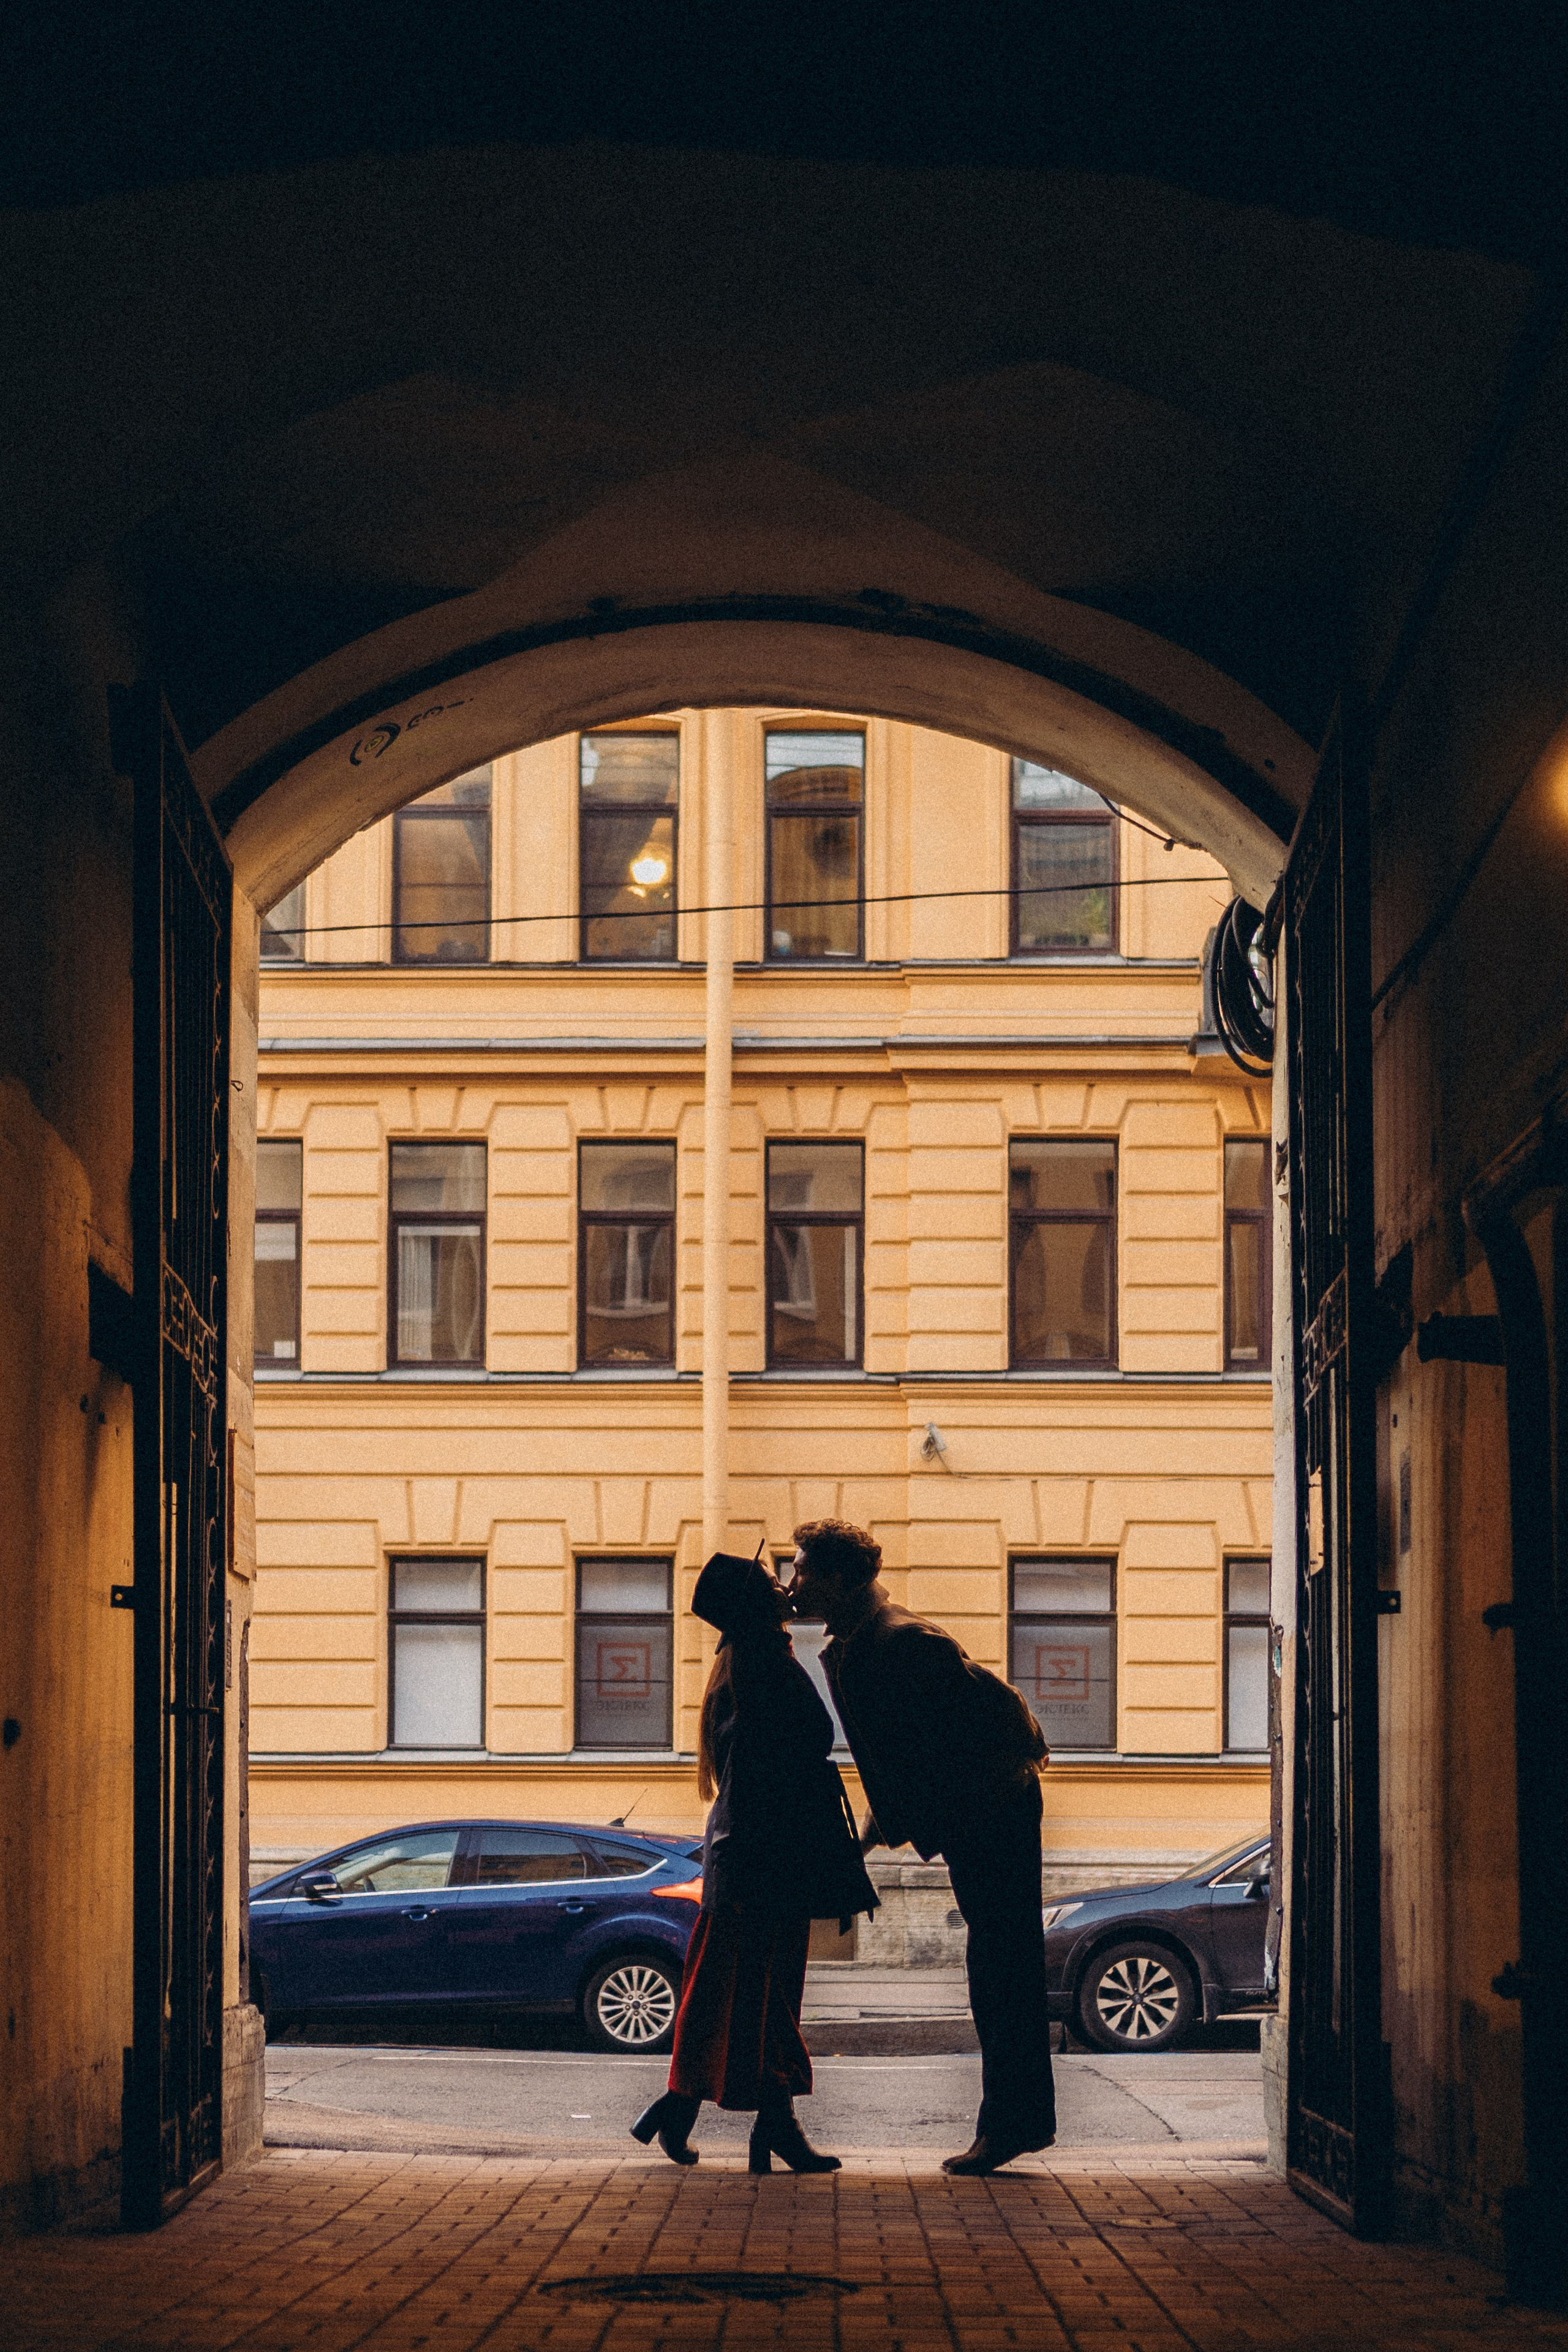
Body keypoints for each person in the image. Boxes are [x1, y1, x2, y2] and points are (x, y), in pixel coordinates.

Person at [787, 1517, 1055, 2176]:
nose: (792, 1582)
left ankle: (1012, 2126)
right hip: (980, 1815)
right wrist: (871, 1837)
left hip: (994, 1814)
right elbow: (902, 1763)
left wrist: (886, 1831)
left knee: (1003, 1973)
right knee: (995, 1968)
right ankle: (1013, 2125)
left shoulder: (902, 1640)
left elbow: (979, 1726)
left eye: (802, 1569)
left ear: (839, 1577)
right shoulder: (865, 1638)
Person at [631, 1547, 878, 2172]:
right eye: (771, 1579)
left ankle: (701, 2111)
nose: (782, 1585)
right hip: (763, 1861)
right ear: (751, 1602)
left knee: (746, 1997)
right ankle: (754, 2123)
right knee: (763, 1998)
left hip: (751, 1859)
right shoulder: (763, 1660)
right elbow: (785, 1757)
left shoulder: (746, 1660)